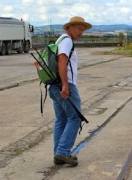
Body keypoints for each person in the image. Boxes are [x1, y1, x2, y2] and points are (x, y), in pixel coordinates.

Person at [49, 16, 91, 167]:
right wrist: (65, 85)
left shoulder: (59, 40)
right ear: (69, 28)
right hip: (64, 85)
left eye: (83, 30)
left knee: (61, 119)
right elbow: (62, 60)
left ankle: (58, 153)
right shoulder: (67, 41)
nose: (81, 32)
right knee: (74, 118)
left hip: (53, 86)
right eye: (79, 29)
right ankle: (63, 152)